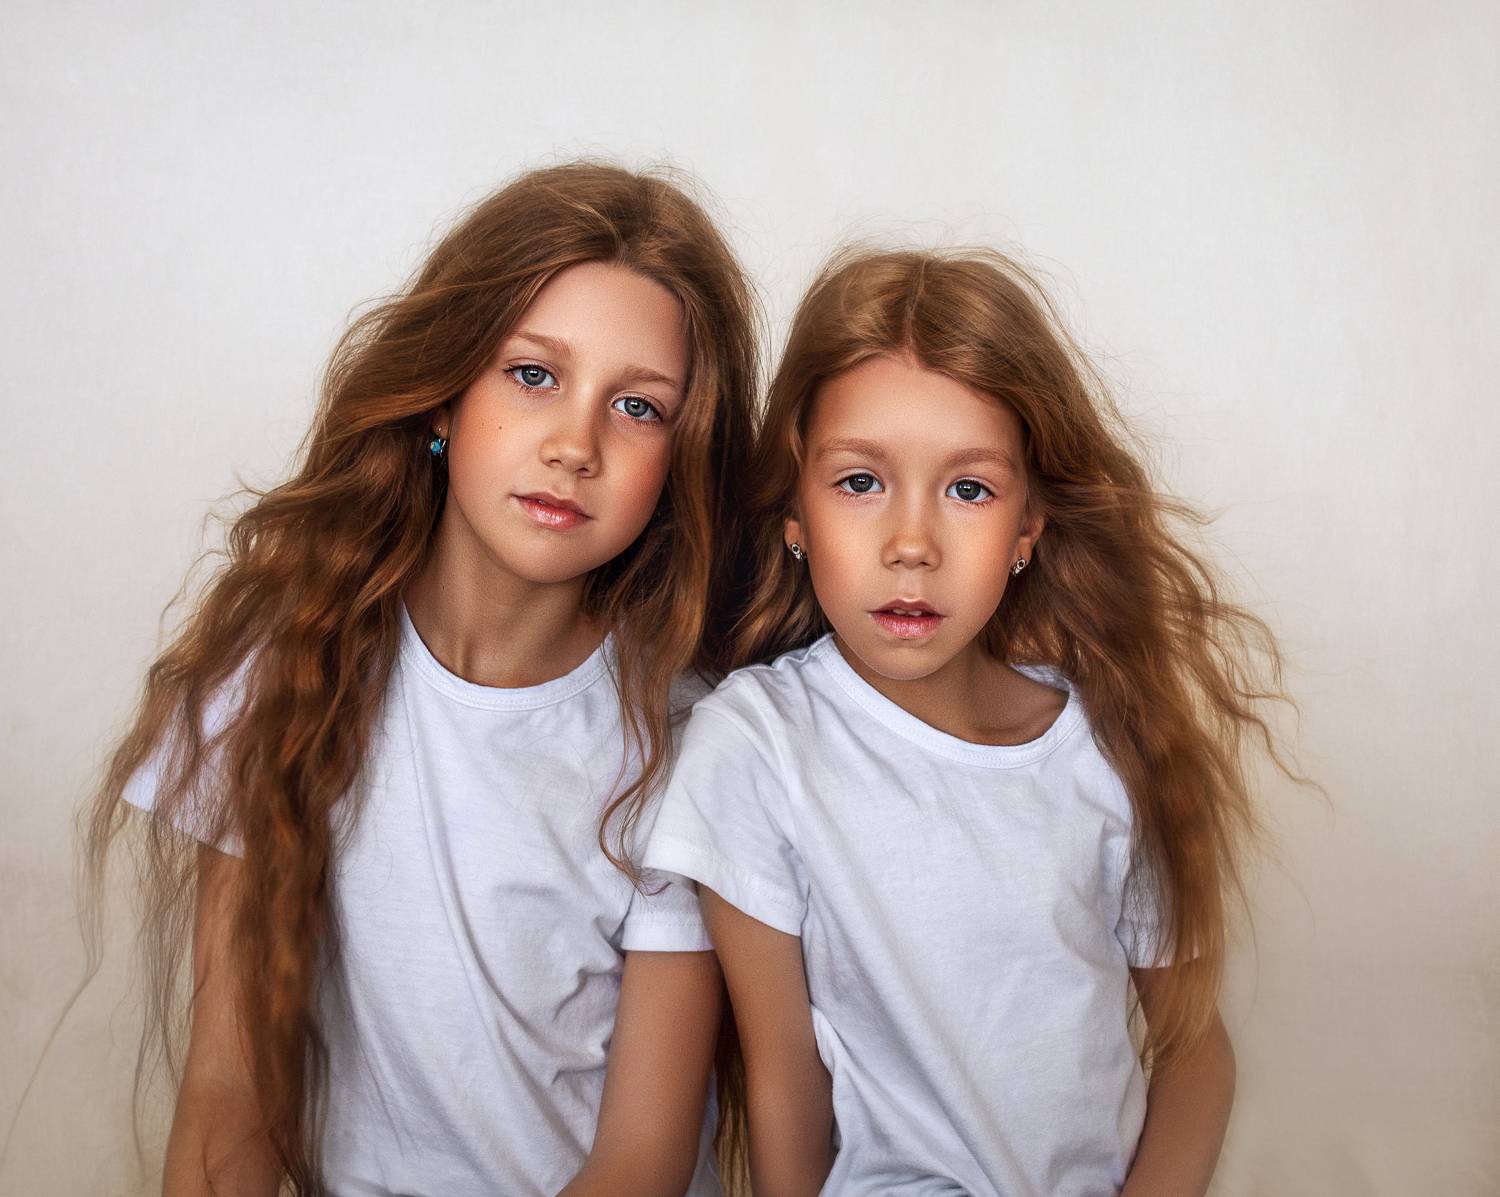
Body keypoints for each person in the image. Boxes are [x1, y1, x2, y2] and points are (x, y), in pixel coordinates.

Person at [84, 160, 758, 1196]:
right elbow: (228, 1098)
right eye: (533, 375)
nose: (574, 445)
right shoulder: (282, 667)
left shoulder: (687, 747)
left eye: (637, 407)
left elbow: (643, 1161)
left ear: (679, 465)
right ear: (443, 398)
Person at [643, 247, 1293, 1195]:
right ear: (794, 513)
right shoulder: (756, 745)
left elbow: (1196, 1051)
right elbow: (787, 1081)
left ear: (1028, 528)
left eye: (969, 489)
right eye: (859, 482)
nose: (912, 544)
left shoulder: (1110, 745)